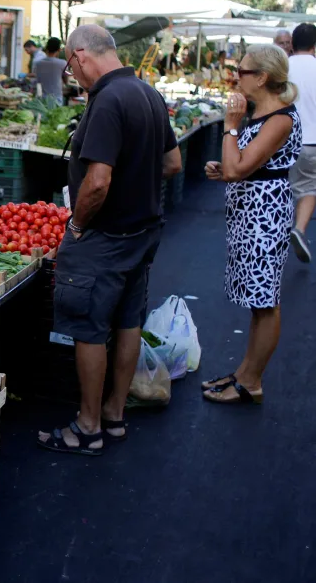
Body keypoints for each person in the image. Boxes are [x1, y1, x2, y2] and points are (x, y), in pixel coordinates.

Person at [37, 25, 182, 456]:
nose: (72, 73)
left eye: (70, 65)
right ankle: (115, 416)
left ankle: (88, 426)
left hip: (104, 236)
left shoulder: (107, 99)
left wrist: (77, 227)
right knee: (127, 321)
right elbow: (172, 163)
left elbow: (97, 183)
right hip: (142, 232)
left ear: (81, 56)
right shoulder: (147, 93)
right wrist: (135, 180)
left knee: (88, 329)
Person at [202, 45, 301, 404]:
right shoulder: (263, 115)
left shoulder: (280, 119)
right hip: (251, 215)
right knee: (259, 301)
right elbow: (239, 167)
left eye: (241, 71)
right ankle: (244, 372)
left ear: (262, 77)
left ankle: (252, 381)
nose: (235, 77)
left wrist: (230, 128)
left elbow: (238, 169)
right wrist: (224, 167)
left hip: (264, 218)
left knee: (265, 301)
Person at [288, 24, 316, 263]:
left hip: (280, 139)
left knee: (281, 185)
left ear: (291, 44)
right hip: (312, 141)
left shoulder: (282, 66)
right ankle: (299, 228)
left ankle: (277, 229)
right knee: (308, 188)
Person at [33, 37, 67, 102]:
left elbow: (38, 80)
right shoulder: (62, 63)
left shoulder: (38, 64)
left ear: (47, 48)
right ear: (59, 49)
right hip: (57, 99)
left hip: (43, 100)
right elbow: (66, 81)